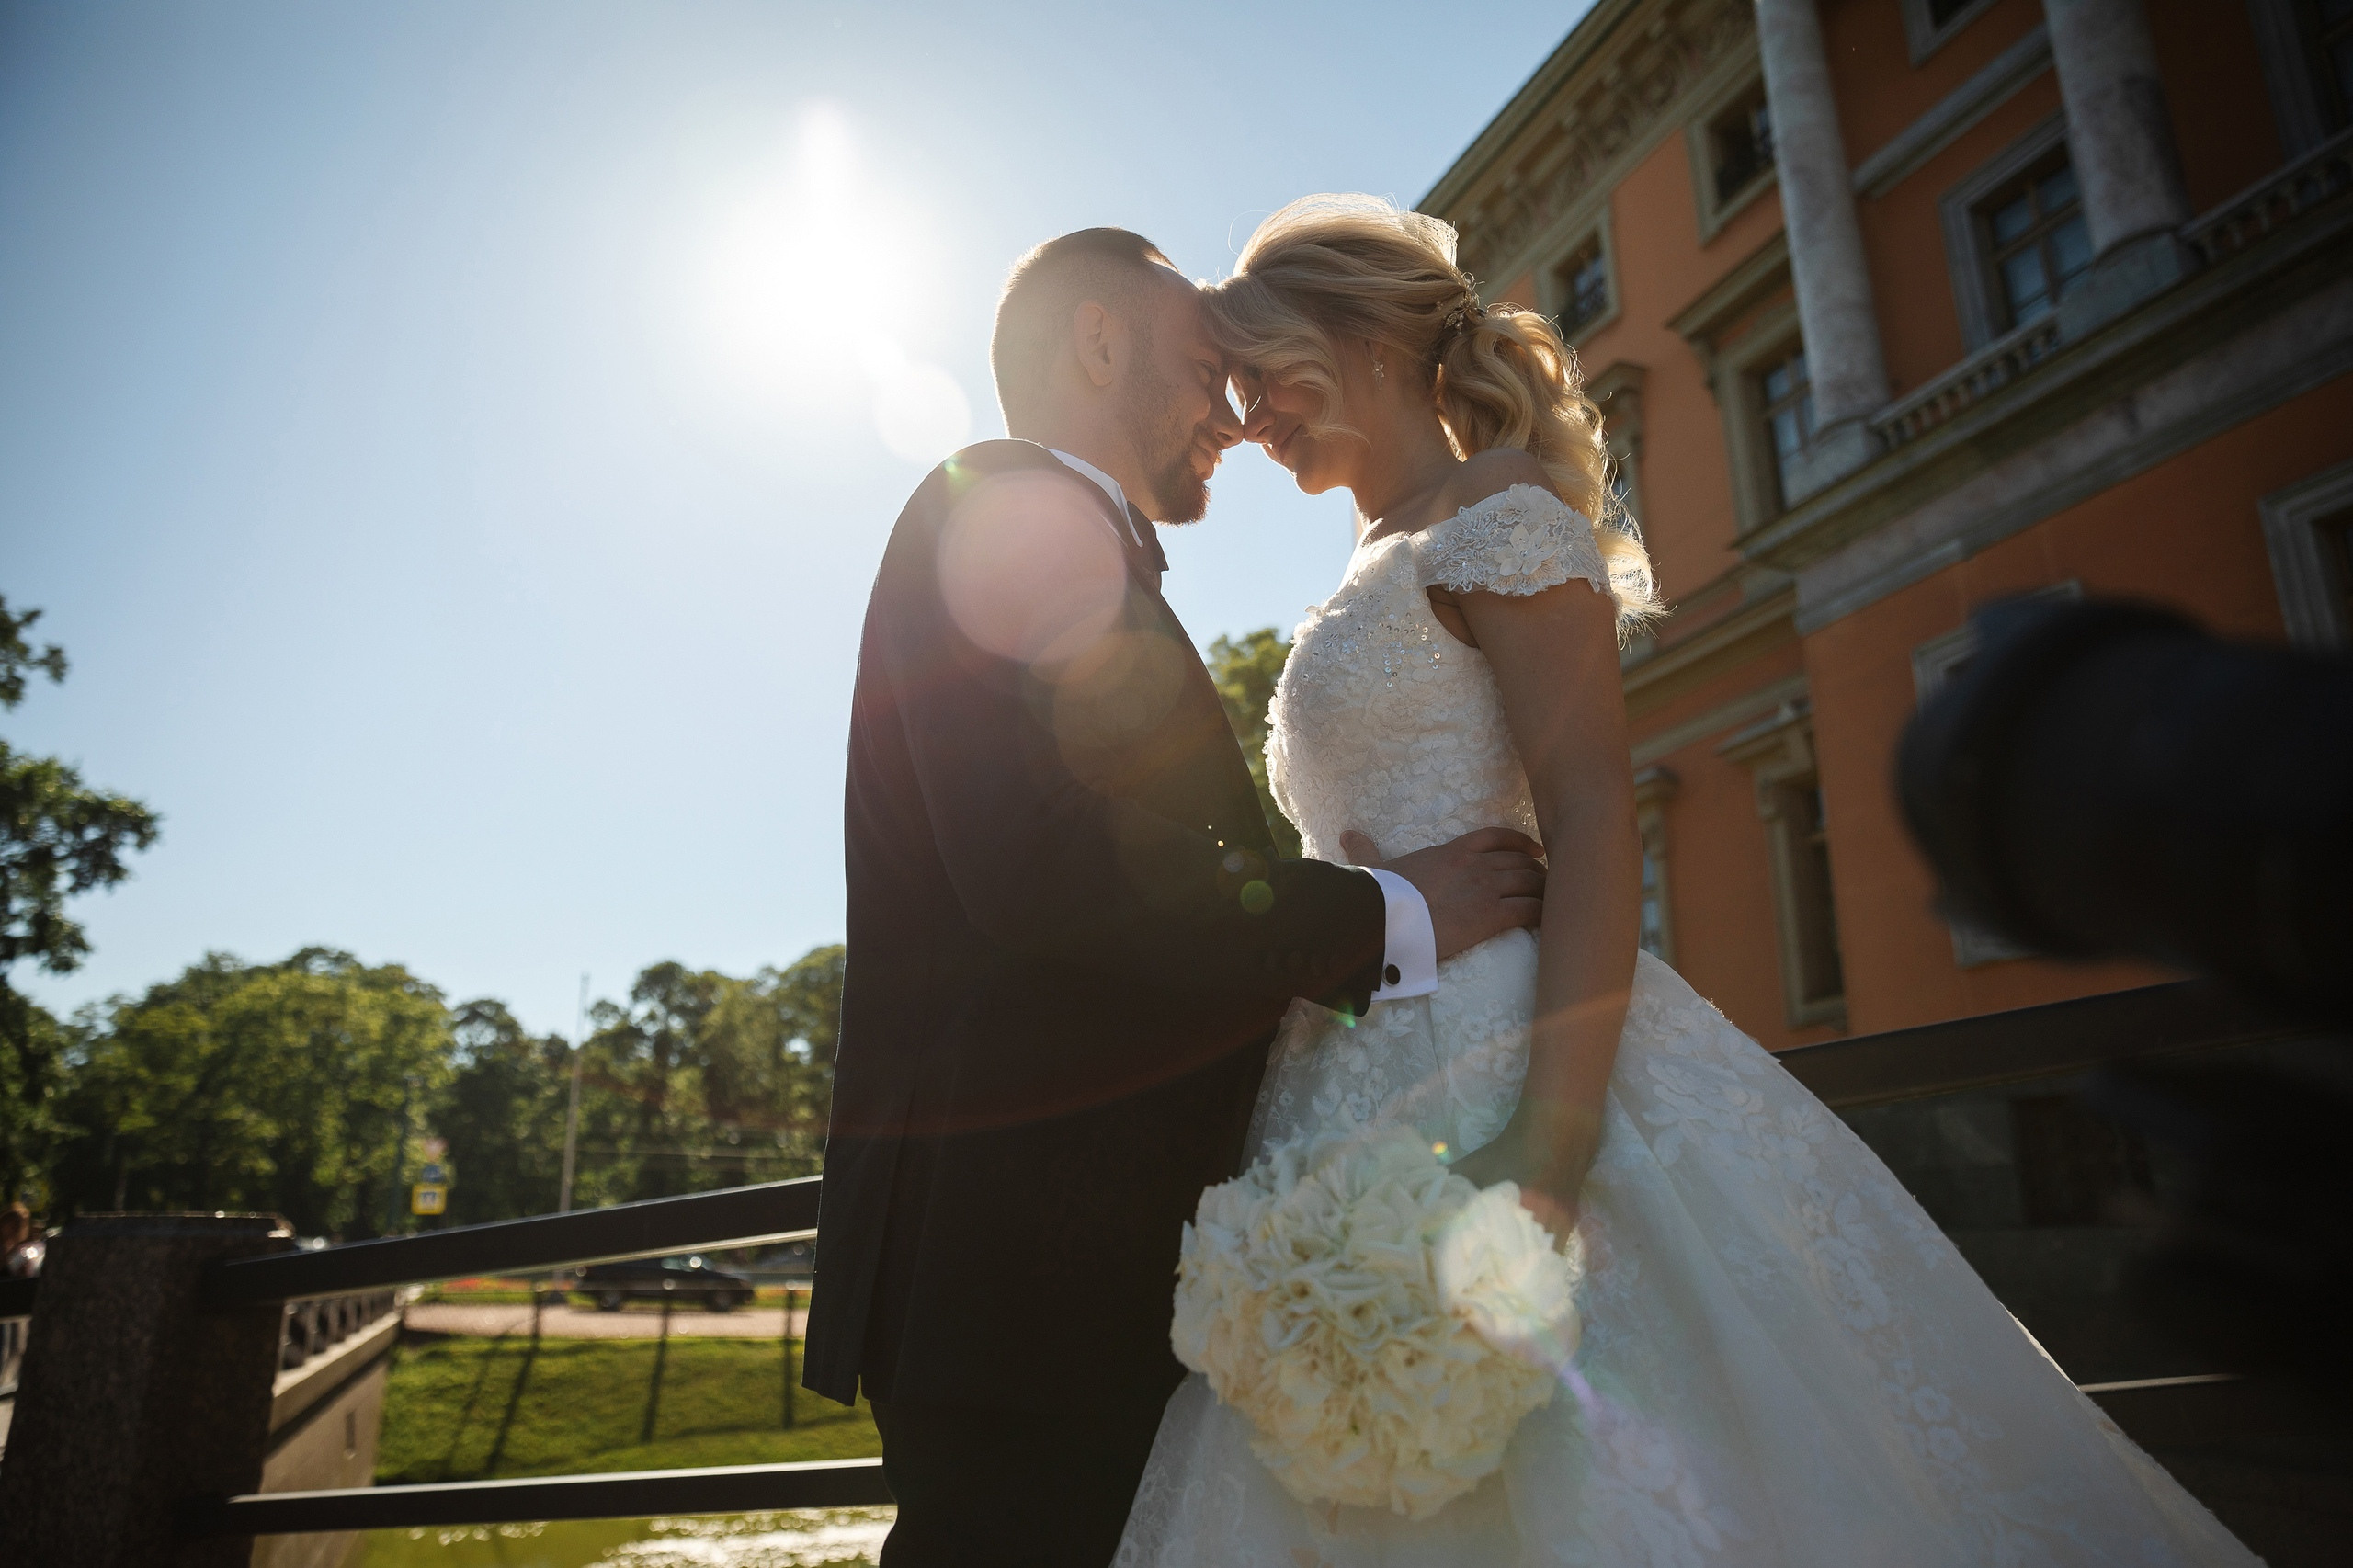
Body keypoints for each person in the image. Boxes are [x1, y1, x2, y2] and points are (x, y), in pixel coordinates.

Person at [1113, 195, 2261, 1567]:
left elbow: (1597, 807)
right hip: (1343, 1087)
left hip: (1503, 1056)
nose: (1246, 415)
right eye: (1229, 384)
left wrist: (1552, 1142)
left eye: (1264, 370)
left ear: (1361, 333)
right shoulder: (1375, 551)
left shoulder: (1499, 511)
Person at [804, 226, 1552, 1568]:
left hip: (1053, 1271)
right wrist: (1388, 913)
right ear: (1100, 343)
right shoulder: (1004, 510)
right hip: (1018, 1275)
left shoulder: (1075, 545)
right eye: (1208, 367)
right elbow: (1046, 862)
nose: (1234, 412)